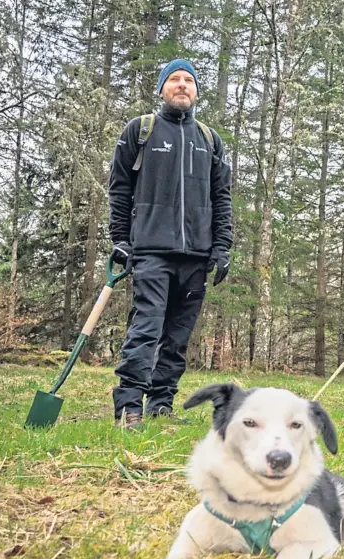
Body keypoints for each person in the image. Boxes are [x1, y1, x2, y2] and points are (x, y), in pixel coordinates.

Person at [109, 58, 233, 429]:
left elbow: (221, 196)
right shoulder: (141, 131)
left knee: (178, 337)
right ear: (162, 88)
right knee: (146, 328)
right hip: (150, 250)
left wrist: (222, 245)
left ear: (196, 91)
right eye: (174, 79)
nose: (182, 85)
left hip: (196, 255)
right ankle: (129, 407)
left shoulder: (209, 140)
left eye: (188, 80)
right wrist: (120, 240)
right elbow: (119, 189)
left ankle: (161, 404)